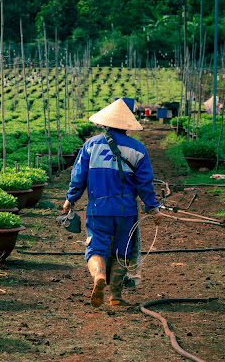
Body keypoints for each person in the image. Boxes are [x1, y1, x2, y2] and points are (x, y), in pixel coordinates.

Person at [62, 98, 161, 308]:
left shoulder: (90, 146)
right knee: (122, 251)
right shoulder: (138, 149)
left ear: (106, 122)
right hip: (126, 212)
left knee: (96, 248)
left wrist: (70, 200)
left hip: (98, 209)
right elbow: (145, 184)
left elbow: (78, 177)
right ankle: (115, 295)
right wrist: (153, 208)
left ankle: (99, 276)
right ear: (127, 125)